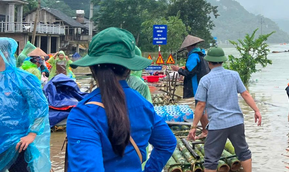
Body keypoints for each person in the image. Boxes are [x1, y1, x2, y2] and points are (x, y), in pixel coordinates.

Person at [67, 27, 177, 171]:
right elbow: (167, 143)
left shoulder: (83, 115)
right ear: (128, 69)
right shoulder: (143, 105)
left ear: (92, 68)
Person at [187, 47, 262, 172]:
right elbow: (245, 94)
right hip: (236, 122)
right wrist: (256, 111)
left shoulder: (205, 80)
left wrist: (193, 126)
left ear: (208, 62)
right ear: (222, 61)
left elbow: (200, 105)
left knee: (211, 159)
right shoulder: (234, 75)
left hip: (217, 125)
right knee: (244, 152)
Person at [0, 37, 52, 172]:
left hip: (17, 142)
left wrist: (32, 134)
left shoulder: (23, 78)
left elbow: (40, 106)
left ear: (5, 53)